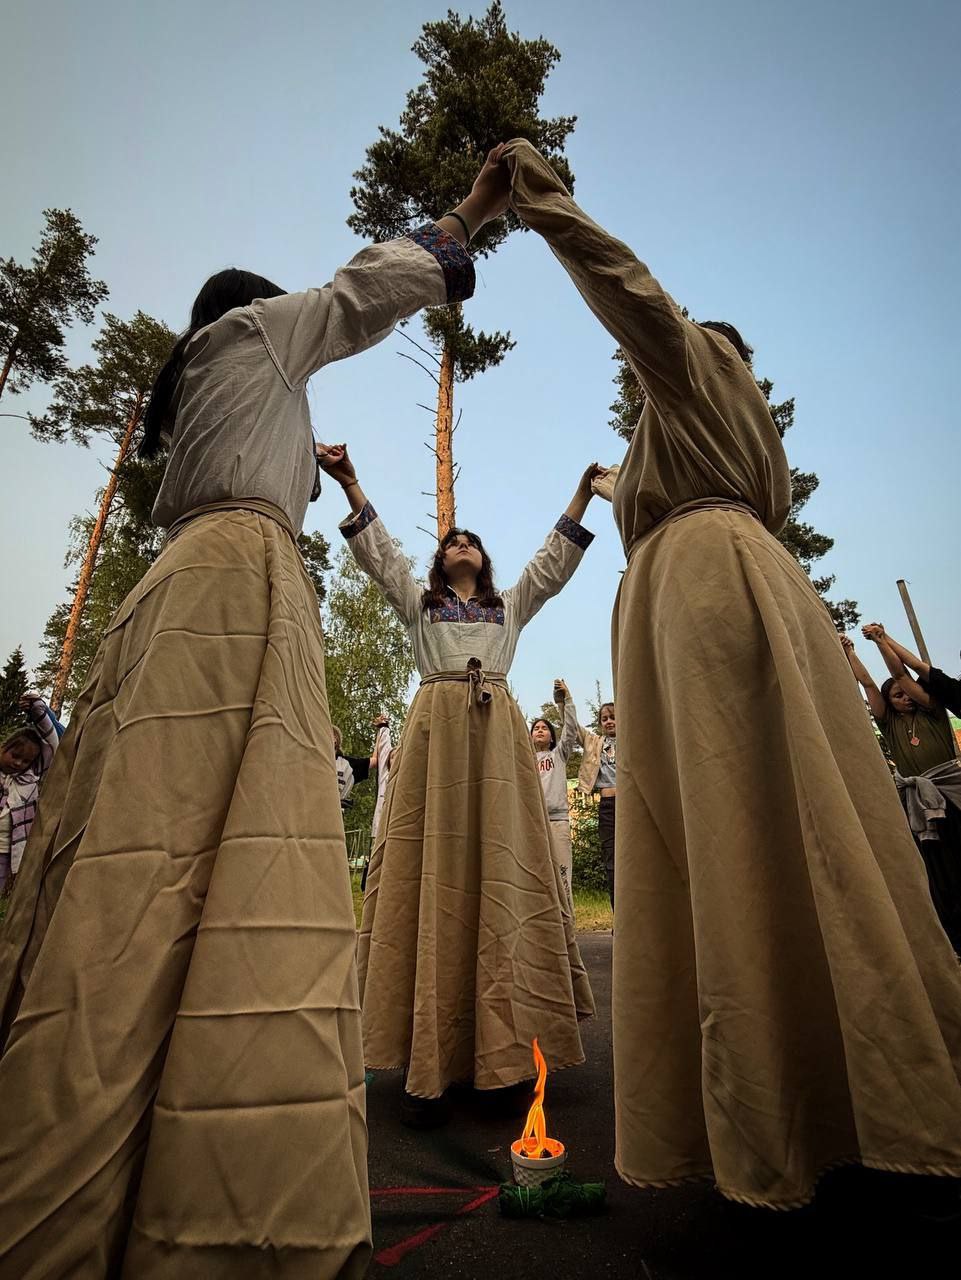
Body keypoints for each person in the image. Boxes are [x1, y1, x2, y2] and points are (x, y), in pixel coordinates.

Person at [0, 147, 512, 1279]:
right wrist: (467, 216)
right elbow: (355, 293)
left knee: (133, 879)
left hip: (173, 600)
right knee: (255, 873)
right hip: (239, 597)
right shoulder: (253, 332)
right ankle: (218, 1181)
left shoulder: (193, 390)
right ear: (250, 310)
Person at [500, 137, 961, 1210]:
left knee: (730, 837)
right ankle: (836, 1092)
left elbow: (633, 295)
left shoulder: (697, 368)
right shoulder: (719, 445)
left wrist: (544, 199)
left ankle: (781, 1111)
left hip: (706, 603)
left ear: (714, 355)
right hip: (727, 592)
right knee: (788, 832)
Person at [319, 442, 599, 1126]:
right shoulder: (421, 608)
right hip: (438, 732)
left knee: (502, 867)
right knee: (431, 867)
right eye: (452, 543)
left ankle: (503, 1042)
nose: (462, 546)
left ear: (484, 560)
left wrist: (583, 495)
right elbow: (380, 556)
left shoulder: (508, 608)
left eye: (472, 542)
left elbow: (549, 566)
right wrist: (352, 481)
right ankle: (434, 1045)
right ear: (440, 562)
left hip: (494, 732)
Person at [844, 627, 961, 954]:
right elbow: (868, 684)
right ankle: (952, 935)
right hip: (918, 804)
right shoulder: (889, 723)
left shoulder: (934, 713)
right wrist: (849, 653)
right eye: (897, 696)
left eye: (908, 693)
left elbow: (901, 672)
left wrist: (882, 641)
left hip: (951, 795)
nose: (905, 698)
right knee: (936, 869)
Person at [0, 692, 60, 895]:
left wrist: (38, 708)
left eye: (25, 761)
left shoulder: (29, 779)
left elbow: (53, 744)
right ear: (3, 748)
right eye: (15, 756)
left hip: (4, 853)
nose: (18, 763)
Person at [530, 679, 579, 917]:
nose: (539, 730)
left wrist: (566, 700)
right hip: (532, 824)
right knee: (535, 878)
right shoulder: (524, 762)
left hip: (557, 822)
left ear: (551, 736)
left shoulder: (558, 755)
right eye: (535, 728)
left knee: (562, 875)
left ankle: (566, 923)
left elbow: (570, 731)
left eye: (544, 728)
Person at [576, 701, 617, 907]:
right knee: (612, 863)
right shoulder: (595, 743)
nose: (609, 721)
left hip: (631, 806)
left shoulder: (633, 738)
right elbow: (574, 729)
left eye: (613, 717)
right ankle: (618, 920)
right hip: (608, 806)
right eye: (605, 719)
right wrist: (564, 701)